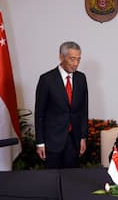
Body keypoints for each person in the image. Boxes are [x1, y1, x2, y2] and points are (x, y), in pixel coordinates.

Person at [35, 41, 88, 169]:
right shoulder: (46, 79)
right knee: (52, 180)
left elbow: (83, 110)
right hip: (52, 141)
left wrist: (83, 137)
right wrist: (40, 143)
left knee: (72, 180)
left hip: (74, 140)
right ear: (61, 57)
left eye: (78, 59)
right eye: (72, 59)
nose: (76, 63)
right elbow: (39, 114)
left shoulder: (81, 78)